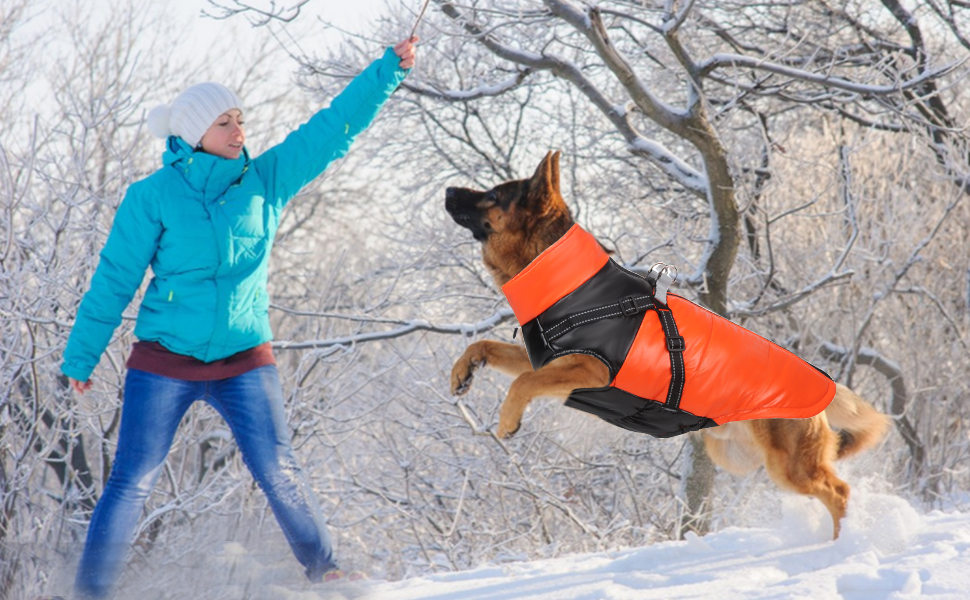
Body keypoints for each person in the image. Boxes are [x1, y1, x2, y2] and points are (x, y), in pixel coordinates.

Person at [60, 37, 417, 599]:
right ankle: (88, 592)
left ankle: (325, 569)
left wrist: (387, 72)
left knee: (279, 466)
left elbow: (332, 129)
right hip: (164, 361)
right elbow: (114, 280)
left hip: (244, 358)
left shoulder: (265, 181)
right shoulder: (151, 196)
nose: (238, 131)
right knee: (132, 480)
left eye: (240, 120)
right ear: (194, 134)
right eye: (225, 122)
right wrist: (81, 356)